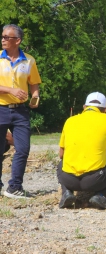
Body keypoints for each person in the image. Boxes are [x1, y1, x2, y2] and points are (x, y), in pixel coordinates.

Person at [57, 92, 106, 209]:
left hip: (69, 179)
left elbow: (61, 155)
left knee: (61, 164)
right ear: (105, 109)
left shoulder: (69, 121)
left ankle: (66, 192)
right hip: (94, 180)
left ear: (84, 107)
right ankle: (103, 196)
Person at [0, 24, 42, 198]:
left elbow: (34, 84)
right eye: (2, 36)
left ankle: (14, 187)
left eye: (6, 37)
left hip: (21, 111)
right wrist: (11, 90)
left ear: (17, 40)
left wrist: (36, 97)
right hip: (0, 108)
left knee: (23, 149)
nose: (2, 39)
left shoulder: (29, 61)